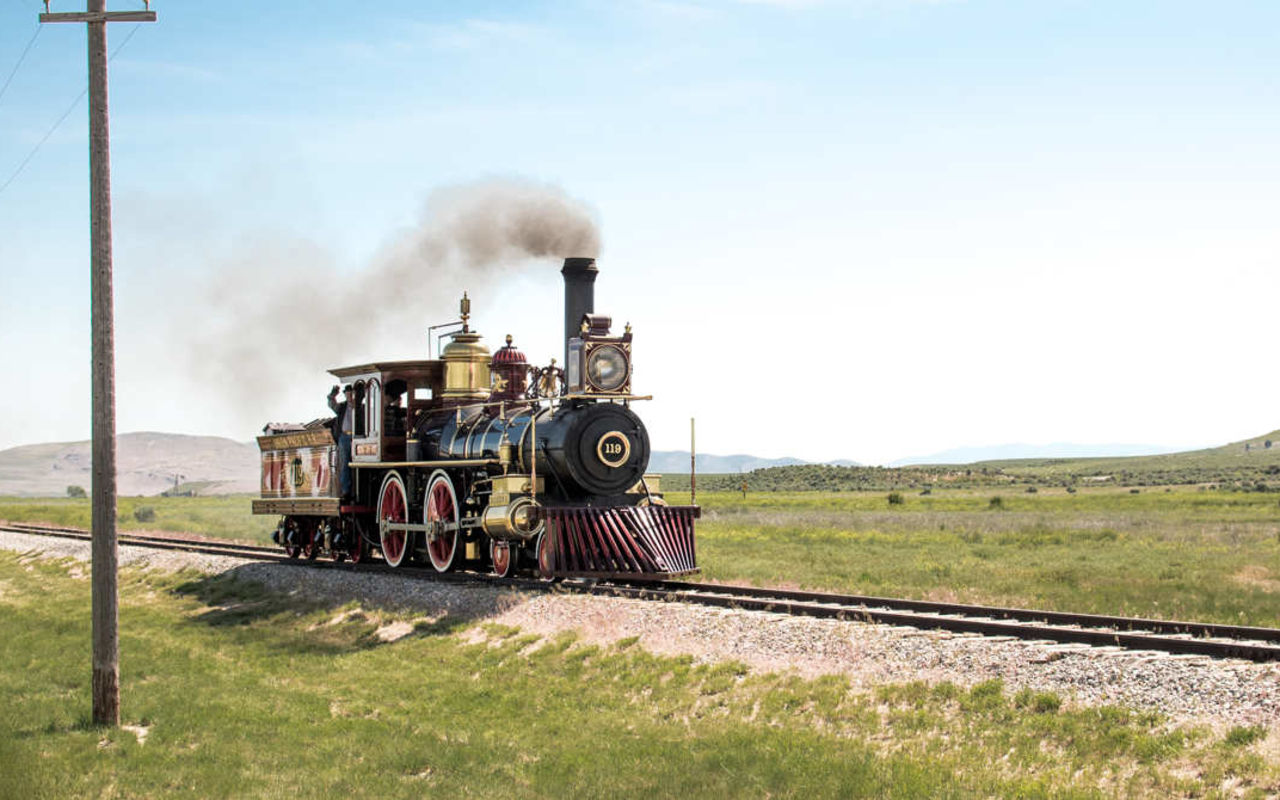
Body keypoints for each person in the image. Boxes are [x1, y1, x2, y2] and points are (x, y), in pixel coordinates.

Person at [328, 384, 355, 501]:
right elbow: (331, 404)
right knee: (344, 463)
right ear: (345, 394)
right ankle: (345, 490)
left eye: (351, 393)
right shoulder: (342, 407)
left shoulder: (361, 407)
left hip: (357, 437)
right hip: (344, 436)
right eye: (347, 393)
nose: (349, 395)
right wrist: (333, 394)